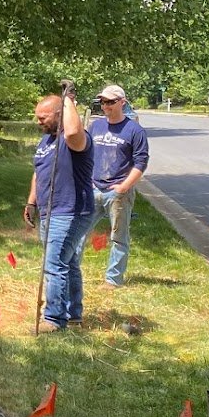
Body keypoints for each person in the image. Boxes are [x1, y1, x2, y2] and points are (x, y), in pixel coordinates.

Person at [23, 82, 94, 333]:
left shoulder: (76, 139)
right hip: (49, 211)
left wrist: (68, 101)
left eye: (43, 117)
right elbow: (38, 172)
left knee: (54, 265)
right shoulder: (45, 141)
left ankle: (54, 319)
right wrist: (31, 201)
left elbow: (73, 132)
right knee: (69, 263)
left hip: (71, 211)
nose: (38, 122)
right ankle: (73, 315)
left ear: (59, 114)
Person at [84, 83, 148, 288]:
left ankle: (113, 280)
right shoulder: (96, 126)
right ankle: (68, 273)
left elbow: (141, 162)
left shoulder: (134, 130)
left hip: (118, 193)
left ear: (122, 102)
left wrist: (124, 186)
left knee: (119, 237)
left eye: (110, 102)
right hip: (93, 188)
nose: (105, 106)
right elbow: (86, 154)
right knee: (78, 232)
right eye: (102, 102)